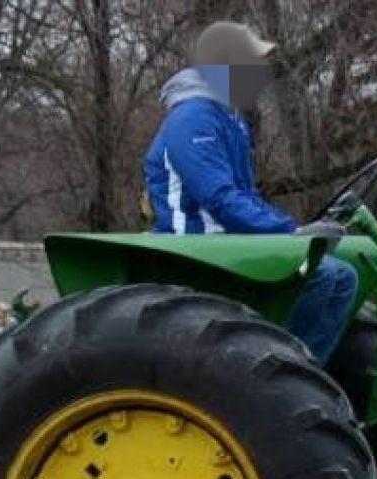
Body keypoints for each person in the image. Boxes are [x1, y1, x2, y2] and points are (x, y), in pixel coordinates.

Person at [143, 21, 356, 365]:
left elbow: (246, 196)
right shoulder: (193, 118)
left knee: (343, 275)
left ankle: (301, 372)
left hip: (230, 241)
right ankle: (272, 370)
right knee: (319, 275)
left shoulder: (230, 118)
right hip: (198, 246)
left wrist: (292, 231)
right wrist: (289, 232)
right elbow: (220, 198)